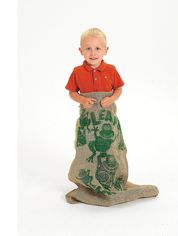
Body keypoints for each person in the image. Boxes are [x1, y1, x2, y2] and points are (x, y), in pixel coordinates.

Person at [65, 28, 158, 206]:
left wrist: (111, 99)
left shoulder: (111, 69)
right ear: (80, 51)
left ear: (106, 50)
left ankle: (114, 179)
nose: (93, 53)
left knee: (114, 150)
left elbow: (119, 89)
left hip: (108, 121)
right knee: (84, 151)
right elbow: (71, 92)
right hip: (88, 124)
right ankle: (88, 182)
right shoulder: (77, 71)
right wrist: (82, 99)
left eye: (98, 49)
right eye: (88, 49)